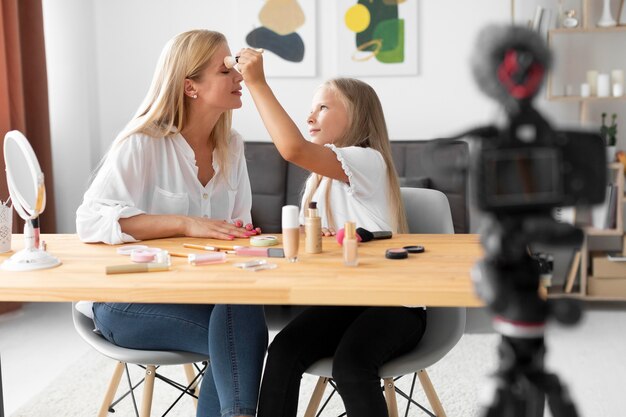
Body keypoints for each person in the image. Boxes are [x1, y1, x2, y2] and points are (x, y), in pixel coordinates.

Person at [75, 30, 267, 417]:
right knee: (238, 345)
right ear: (190, 87)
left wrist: (245, 239)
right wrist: (184, 223)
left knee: (242, 312)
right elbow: (90, 221)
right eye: (226, 69)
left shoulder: (232, 146)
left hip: (203, 296)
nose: (239, 77)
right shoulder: (142, 143)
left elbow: (239, 225)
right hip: (127, 302)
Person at [237, 50, 428, 416]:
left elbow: (292, 148)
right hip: (347, 299)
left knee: (352, 366)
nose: (310, 116)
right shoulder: (321, 179)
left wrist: (257, 83)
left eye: (323, 108)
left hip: (395, 304)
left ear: (356, 115)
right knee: (283, 351)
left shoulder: (366, 160)